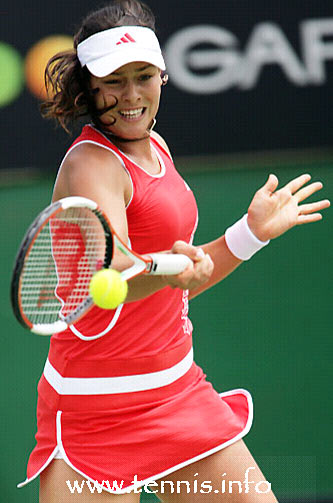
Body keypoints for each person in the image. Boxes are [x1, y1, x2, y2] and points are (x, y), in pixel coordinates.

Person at [18, 1, 330, 501]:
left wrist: (250, 234)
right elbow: (114, 278)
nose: (130, 95)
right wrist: (169, 272)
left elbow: (182, 278)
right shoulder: (91, 166)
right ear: (90, 87)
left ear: (162, 76)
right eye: (114, 81)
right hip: (96, 413)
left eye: (143, 76)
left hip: (176, 391)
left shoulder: (154, 145)